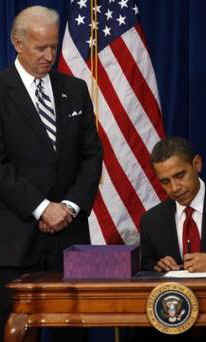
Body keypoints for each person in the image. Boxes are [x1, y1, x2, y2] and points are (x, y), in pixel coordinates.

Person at [0, 5, 102, 341]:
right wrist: (43, 208)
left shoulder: (74, 89)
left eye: (54, 47)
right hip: (15, 243)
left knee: (72, 335)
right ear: (17, 43)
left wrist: (69, 207)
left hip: (68, 241)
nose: (49, 56)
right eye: (40, 48)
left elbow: (92, 156)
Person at [140, 136, 206, 272]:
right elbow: (146, 271)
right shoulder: (151, 221)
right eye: (165, 182)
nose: (174, 188)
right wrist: (158, 267)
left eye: (179, 176)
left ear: (197, 164)